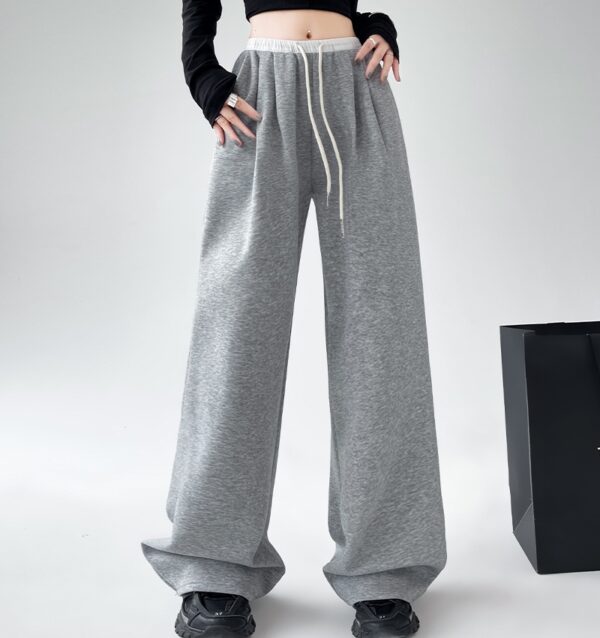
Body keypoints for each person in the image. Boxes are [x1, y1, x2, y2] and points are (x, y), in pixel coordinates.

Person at [141, 2, 447, 636]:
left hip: (355, 88)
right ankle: (214, 566)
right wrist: (202, 72)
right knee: (236, 334)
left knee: (382, 333)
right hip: (259, 98)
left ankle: (384, 571)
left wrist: (376, 24)